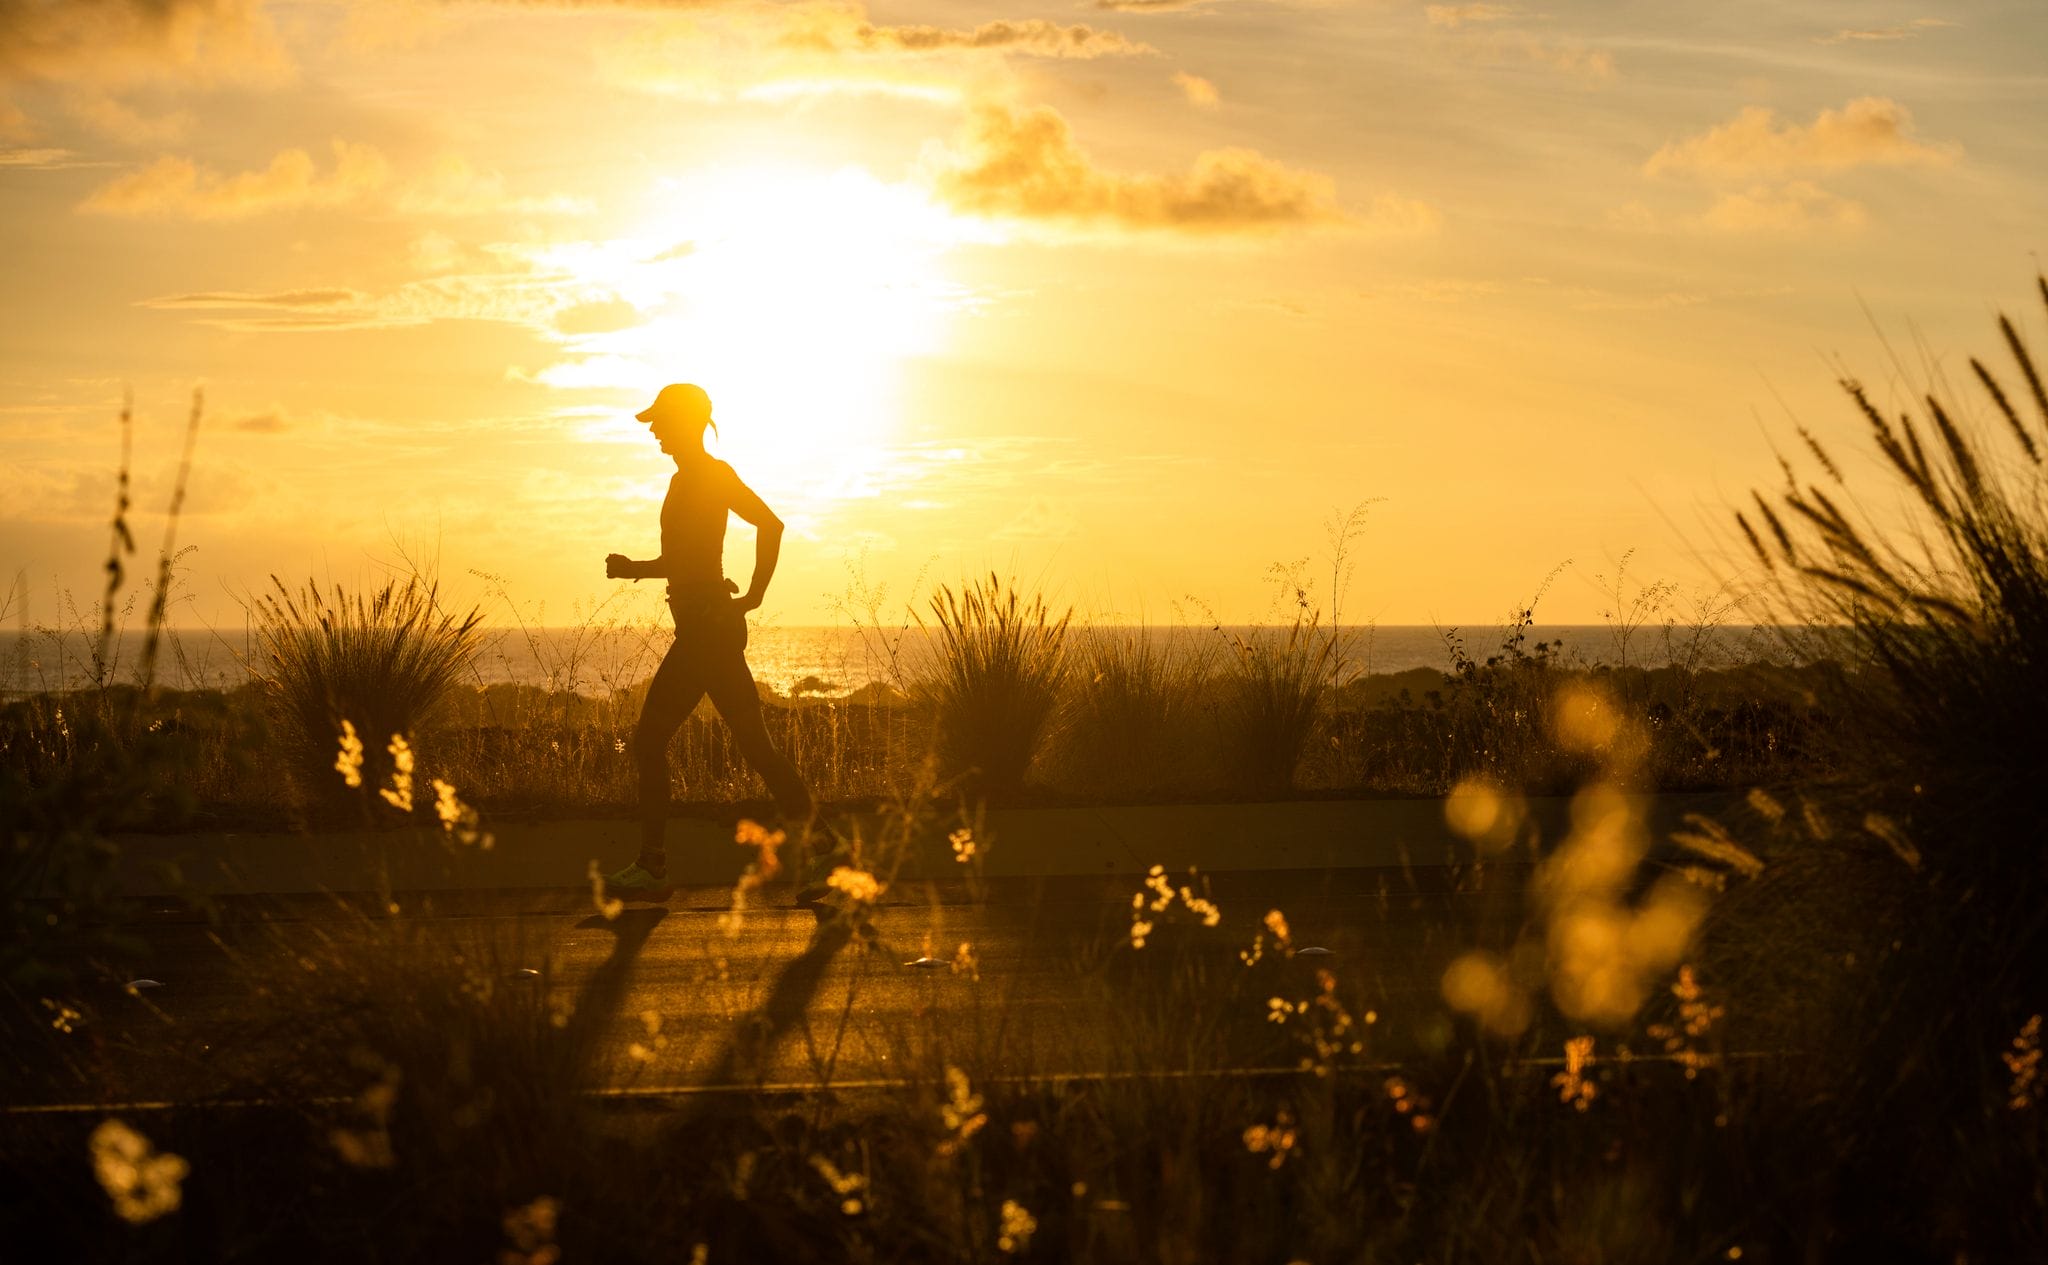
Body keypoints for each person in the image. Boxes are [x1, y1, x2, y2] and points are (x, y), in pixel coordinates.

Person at [603, 383, 818, 901]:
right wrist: (747, 596)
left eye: (660, 421)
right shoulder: (693, 477)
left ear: (685, 421)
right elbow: (703, 555)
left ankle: (653, 866)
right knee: (757, 748)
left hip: (705, 631)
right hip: (709, 628)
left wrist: (753, 596)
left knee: (650, 742)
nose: (653, 429)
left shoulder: (703, 476)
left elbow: (767, 527)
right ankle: (823, 846)